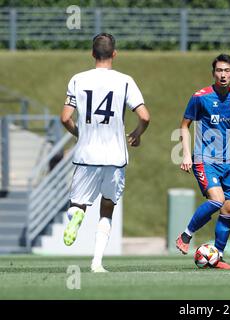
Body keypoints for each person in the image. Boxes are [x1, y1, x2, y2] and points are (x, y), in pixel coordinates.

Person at [60, 33, 150, 273]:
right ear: (114, 54)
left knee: (78, 205)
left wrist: (80, 133)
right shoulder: (125, 81)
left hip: (86, 156)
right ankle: (97, 263)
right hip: (115, 157)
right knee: (107, 208)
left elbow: (65, 118)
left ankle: (76, 216)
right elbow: (144, 116)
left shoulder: (78, 79)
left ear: (92, 54)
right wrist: (137, 133)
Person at [176, 53, 230, 270]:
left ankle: (218, 257)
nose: (223, 75)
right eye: (219, 70)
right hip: (204, 159)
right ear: (213, 73)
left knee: (229, 209)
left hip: (225, 162)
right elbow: (184, 125)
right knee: (217, 200)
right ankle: (185, 236)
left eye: (227, 71)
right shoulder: (200, 97)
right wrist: (186, 154)